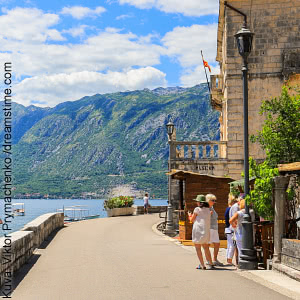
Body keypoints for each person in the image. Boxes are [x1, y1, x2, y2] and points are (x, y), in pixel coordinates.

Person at [188, 194, 214, 270]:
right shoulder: (209, 210)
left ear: (199, 202)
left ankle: (202, 264)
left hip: (198, 229)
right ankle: (210, 262)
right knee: (206, 247)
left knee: (198, 247)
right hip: (206, 230)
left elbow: (192, 220)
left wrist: (189, 215)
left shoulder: (197, 209)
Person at [206, 193, 223, 266]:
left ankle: (214, 259)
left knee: (217, 244)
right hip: (210, 228)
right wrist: (208, 214)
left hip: (214, 228)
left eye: (214, 200)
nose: (214, 202)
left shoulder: (211, 208)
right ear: (208, 200)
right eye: (212, 200)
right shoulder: (207, 208)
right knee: (208, 245)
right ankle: (209, 260)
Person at [225, 193, 237, 265]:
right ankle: (229, 260)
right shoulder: (230, 209)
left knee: (229, 245)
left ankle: (228, 259)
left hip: (227, 228)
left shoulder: (227, 209)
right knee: (232, 245)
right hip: (230, 228)